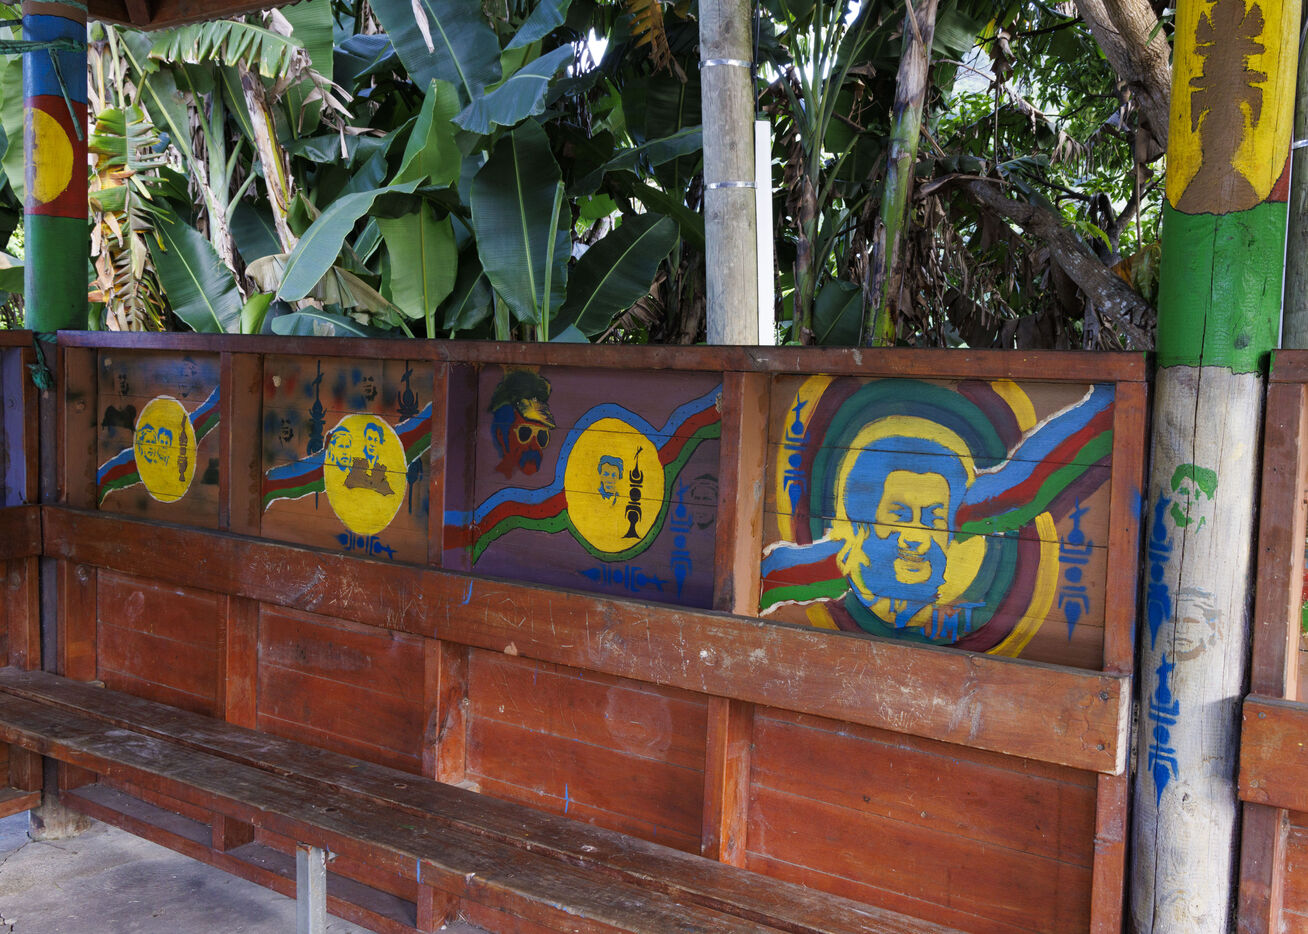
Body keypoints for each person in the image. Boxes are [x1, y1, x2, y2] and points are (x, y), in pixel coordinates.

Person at [826, 433, 979, 641]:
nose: (916, 536)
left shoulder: (962, 619)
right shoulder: (823, 605)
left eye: (933, 519)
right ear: (863, 523)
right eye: (899, 516)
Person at [344, 422, 395, 495]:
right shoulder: (358, 463)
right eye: (370, 439)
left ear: (380, 442)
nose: (372, 444)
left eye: (375, 440)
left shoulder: (383, 465)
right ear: (365, 440)